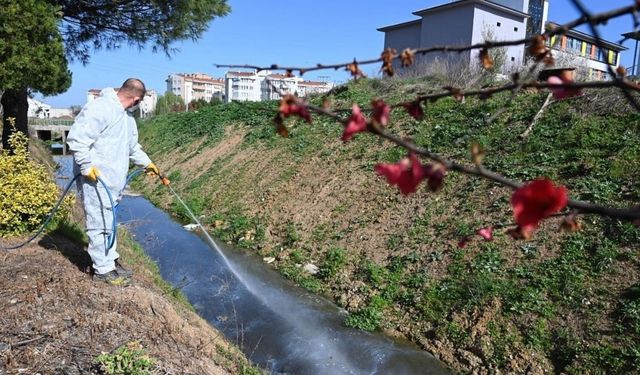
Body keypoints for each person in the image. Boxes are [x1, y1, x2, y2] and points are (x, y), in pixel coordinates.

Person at [67, 78, 166, 286]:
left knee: (109, 222)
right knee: (99, 223)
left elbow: (132, 148)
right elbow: (77, 139)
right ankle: (102, 271)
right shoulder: (101, 108)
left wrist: (148, 164)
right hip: (95, 178)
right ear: (136, 98)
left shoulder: (127, 118)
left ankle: (109, 261)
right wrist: (86, 167)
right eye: (139, 102)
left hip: (113, 181)